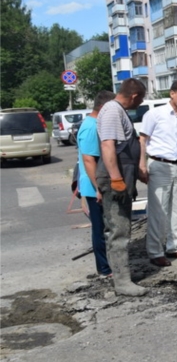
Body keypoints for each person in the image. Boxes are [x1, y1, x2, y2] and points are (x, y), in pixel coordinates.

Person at [139, 80, 177, 267]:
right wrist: (142, 165)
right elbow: (142, 140)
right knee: (159, 210)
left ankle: (174, 246)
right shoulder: (155, 114)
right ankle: (156, 251)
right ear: (172, 94)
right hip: (159, 165)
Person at [95, 78, 148, 296]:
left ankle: (122, 277)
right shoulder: (112, 111)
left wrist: (137, 171)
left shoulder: (117, 111)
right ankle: (122, 283)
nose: (141, 102)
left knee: (121, 227)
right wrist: (116, 178)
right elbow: (108, 145)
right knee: (119, 229)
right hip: (113, 180)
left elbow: (124, 148)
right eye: (142, 98)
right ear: (134, 96)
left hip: (121, 178)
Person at [78, 90, 116, 278]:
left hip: (97, 185)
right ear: (103, 108)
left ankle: (108, 263)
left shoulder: (95, 124)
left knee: (104, 226)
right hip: (95, 189)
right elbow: (88, 160)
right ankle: (104, 268)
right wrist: (98, 188)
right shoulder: (91, 127)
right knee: (100, 228)